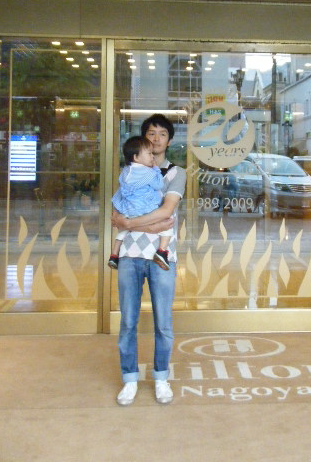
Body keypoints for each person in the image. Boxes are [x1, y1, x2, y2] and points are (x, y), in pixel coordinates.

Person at [111, 114, 186, 406]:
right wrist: (142, 225)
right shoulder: (130, 171)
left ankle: (161, 378)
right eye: (151, 133)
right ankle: (129, 378)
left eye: (162, 134)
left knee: (163, 323)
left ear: (169, 140)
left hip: (161, 256)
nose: (156, 139)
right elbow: (116, 213)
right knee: (128, 321)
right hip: (130, 255)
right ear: (143, 139)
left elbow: (166, 211)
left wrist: (131, 224)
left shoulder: (175, 173)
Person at [108, 135, 173, 271]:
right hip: (145, 209)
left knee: (123, 230)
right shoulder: (148, 172)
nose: (152, 157)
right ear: (136, 157)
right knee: (168, 223)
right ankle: (162, 251)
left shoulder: (125, 171)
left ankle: (114, 255)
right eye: (149, 153)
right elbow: (158, 185)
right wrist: (156, 169)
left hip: (128, 210)